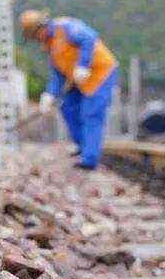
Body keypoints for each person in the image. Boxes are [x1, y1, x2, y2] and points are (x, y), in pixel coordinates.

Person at [20, 10, 119, 169]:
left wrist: (82, 66)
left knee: (92, 113)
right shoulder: (49, 46)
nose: (36, 40)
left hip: (100, 72)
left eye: (35, 35)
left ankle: (89, 159)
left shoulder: (66, 27)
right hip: (77, 79)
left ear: (41, 27)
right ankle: (83, 146)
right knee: (68, 107)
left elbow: (89, 38)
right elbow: (58, 75)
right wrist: (49, 94)